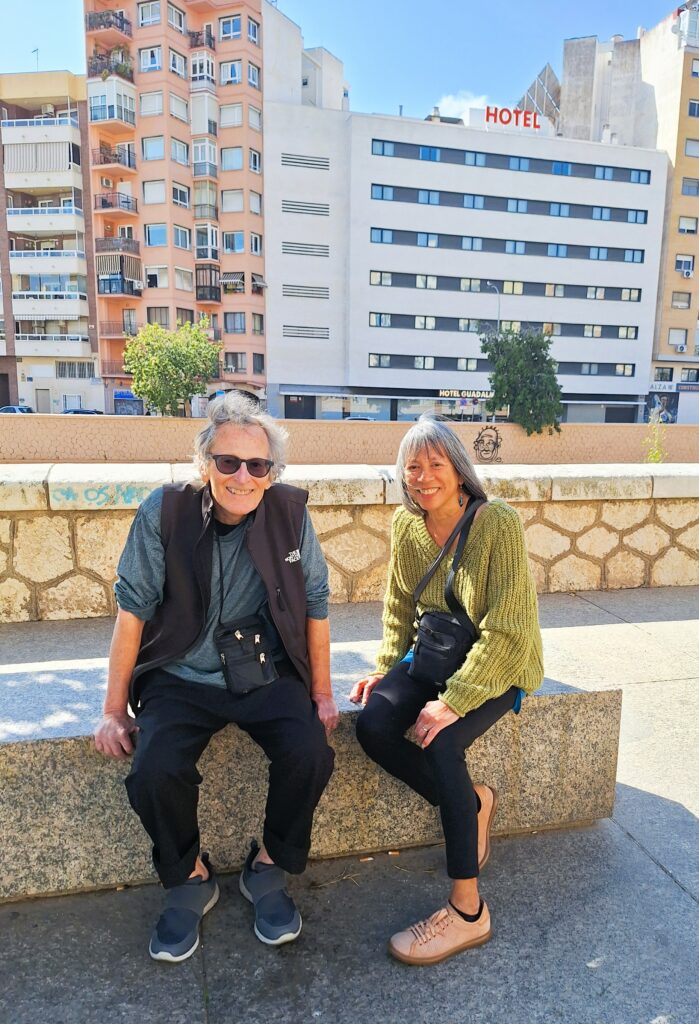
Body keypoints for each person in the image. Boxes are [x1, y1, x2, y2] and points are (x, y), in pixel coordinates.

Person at [95, 393, 338, 962]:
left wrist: (322, 693)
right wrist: (112, 709)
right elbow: (132, 611)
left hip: (262, 669)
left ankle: (269, 865)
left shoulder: (290, 514)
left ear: (272, 473)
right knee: (154, 769)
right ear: (206, 464)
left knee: (310, 751)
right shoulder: (164, 512)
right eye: (228, 462)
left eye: (257, 465)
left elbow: (316, 603)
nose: (241, 476)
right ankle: (189, 877)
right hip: (180, 672)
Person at [350, 414, 543, 965]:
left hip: (497, 663)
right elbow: (400, 606)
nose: (424, 476)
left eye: (436, 463)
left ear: (459, 470)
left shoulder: (497, 523)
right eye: (413, 466)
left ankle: (468, 911)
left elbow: (508, 629)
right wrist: (387, 667)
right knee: (373, 725)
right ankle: (470, 803)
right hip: (433, 654)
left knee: (441, 742)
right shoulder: (406, 525)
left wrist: (454, 701)